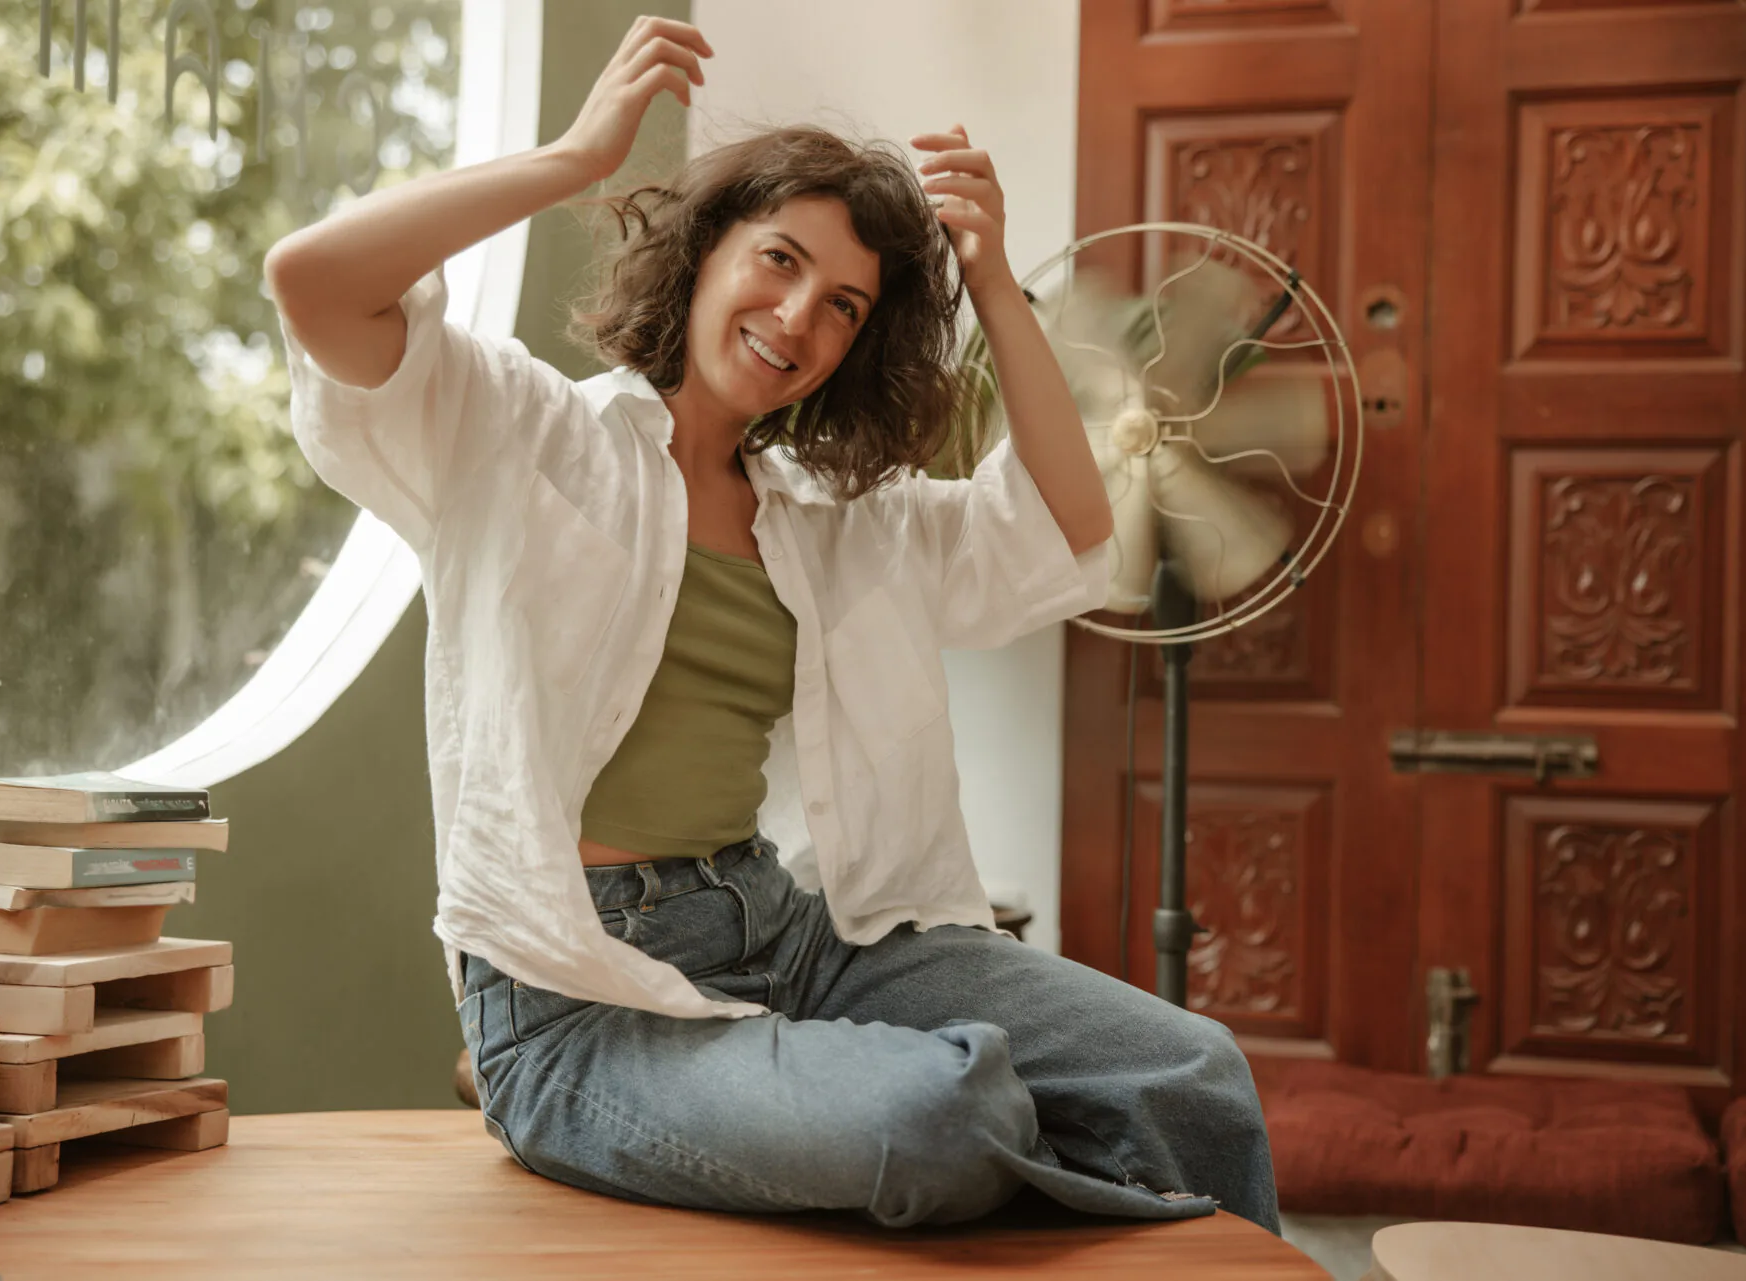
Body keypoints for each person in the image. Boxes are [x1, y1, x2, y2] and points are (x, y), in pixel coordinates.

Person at [265, 14, 1276, 1232]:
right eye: (781, 261)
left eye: (846, 305)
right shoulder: (524, 436)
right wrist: (576, 159)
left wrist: (995, 284)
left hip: (791, 934)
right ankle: (622, 1105)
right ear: (707, 251)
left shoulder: (828, 517)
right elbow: (310, 280)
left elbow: (1069, 533)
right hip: (577, 999)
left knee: (1191, 1073)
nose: (801, 318)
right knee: (943, 1116)